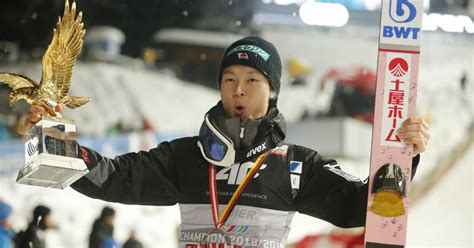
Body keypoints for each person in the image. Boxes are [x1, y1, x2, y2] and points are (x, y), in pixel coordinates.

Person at [20, 36, 430, 247]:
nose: (239, 89)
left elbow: (358, 206)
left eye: (253, 80)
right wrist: (50, 132)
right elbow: (112, 178)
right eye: (230, 80)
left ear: (272, 92)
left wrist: (402, 158)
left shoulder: (294, 165)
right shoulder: (186, 155)